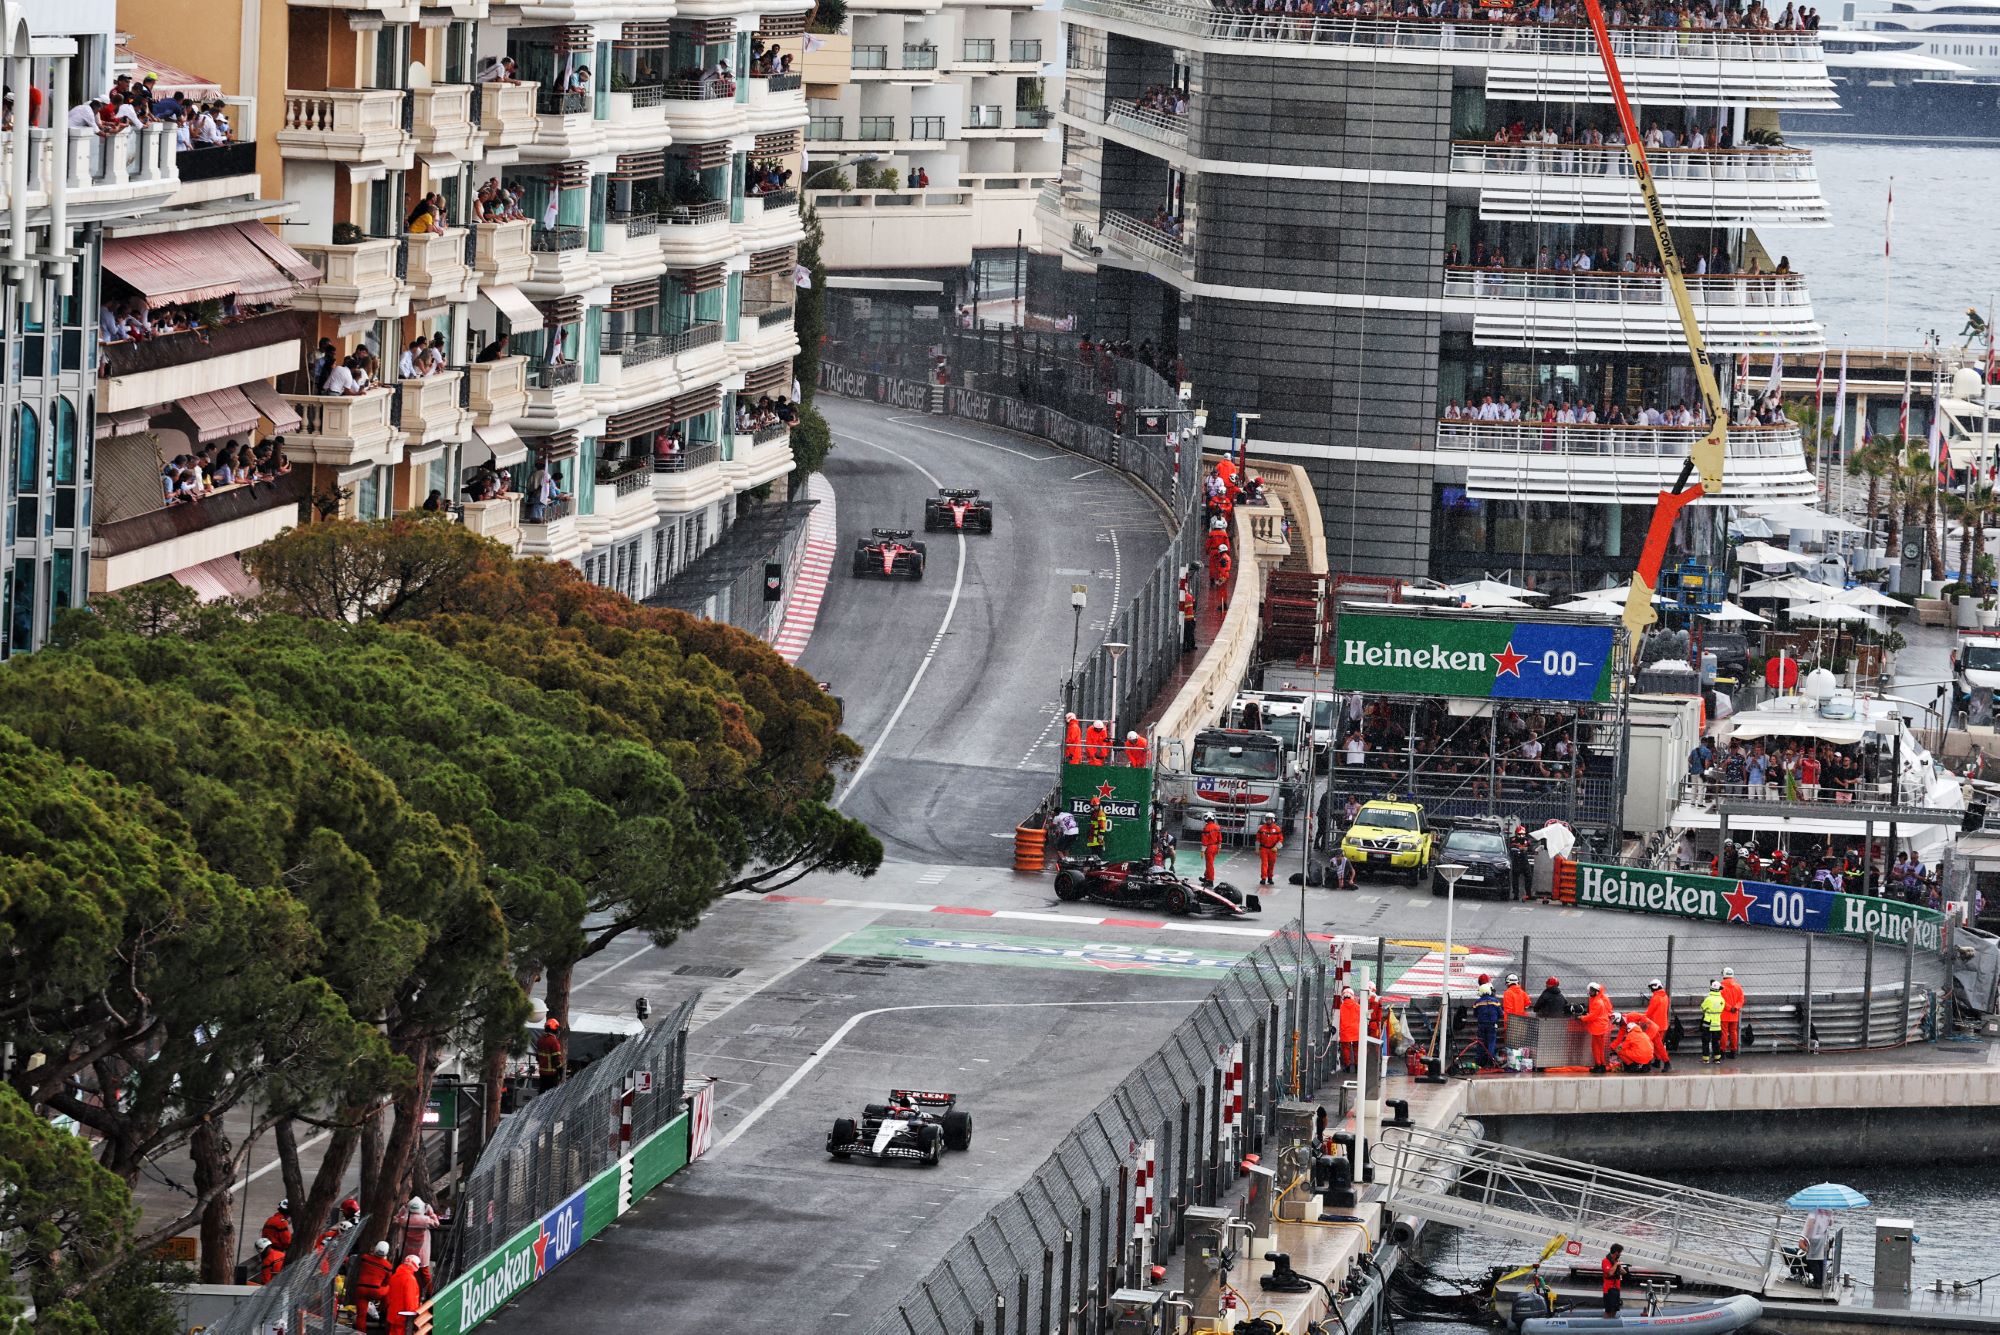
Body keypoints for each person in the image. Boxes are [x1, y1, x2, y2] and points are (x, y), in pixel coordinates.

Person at [352, 1241, 394, 1331]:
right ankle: (383, 1312)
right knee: (389, 1288)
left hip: (361, 1289)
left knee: (361, 1315)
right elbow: (387, 1282)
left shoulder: (365, 1258)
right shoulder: (388, 1266)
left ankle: (361, 1332)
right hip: (376, 1291)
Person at [385, 1253, 424, 1335]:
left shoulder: (395, 1276)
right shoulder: (410, 1279)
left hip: (392, 1314)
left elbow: (388, 1296)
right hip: (403, 1317)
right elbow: (410, 1301)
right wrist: (413, 1316)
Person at [1582, 982, 1614, 1072]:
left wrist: (1583, 1018)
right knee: (1599, 1047)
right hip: (1601, 1025)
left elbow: (1594, 1015)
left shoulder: (1598, 1001)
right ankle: (1601, 1064)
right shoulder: (1598, 999)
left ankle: (1599, 1065)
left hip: (1598, 1026)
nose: (1590, 993)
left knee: (1596, 1047)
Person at [1472, 982, 1504, 1067]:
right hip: (1492, 1025)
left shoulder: (1477, 1002)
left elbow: (1475, 1014)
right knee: (1491, 1043)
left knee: (1481, 1043)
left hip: (1481, 1025)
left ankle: (1480, 1062)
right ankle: (1491, 1062)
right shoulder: (1496, 1001)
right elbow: (1501, 1014)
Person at [1644, 980, 1673, 1071]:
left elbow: (1649, 1012)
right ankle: (1657, 1061)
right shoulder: (1665, 996)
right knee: (1657, 1045)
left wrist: (1642, 1019)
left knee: (1657, 1045)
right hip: (1663, 1024)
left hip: (1655, 1026)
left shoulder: (1656, 997)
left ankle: (1666, 1062)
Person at [534, 1016, 566, 1091]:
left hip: (542, 1073)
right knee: (551, 1097)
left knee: (542, 1094)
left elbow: (538, 1057)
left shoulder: (540, 1040)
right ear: (554, 1029)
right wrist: (561, 1071)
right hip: (551, 1075)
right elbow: (557, 1060)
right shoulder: (554, 1042)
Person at [1719, 967, 1745, 1058]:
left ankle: (1722, 1052)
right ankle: (1733, 1051)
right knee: (1733, 1032)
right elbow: (1741, 1000)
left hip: (1724, 1014)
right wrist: (1735, 1007)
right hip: (1734, 1014)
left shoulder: (1720, 986)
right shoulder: (1738, 986)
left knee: (1724, 1033)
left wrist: (1729, 1008)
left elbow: (1720, 1000)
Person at [1254, 812, 1284, 886]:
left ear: (1273, 820)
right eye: (1267, 819)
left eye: (1270, 819)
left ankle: (1270, 878)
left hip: (1272, 850)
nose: (1268, 821)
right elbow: (1258, 839)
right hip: (1264, 849)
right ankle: (1263, 878)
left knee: (1271, 864)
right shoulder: (1261, 828)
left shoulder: (1277, 829)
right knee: (1264, 864)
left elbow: (1281, 839)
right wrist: (1257, 849)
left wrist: (1276, 847)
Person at [1700, 979, 1726, 1063]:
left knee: (1706, 1042)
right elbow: (1722, 1009)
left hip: (1708, 1023)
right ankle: (1717, 1058)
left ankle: (1706, 1059)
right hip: (1717, 1024)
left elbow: (1702, 1008)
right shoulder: (1722, 1000)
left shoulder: (1708, 999)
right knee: (1716, 1042)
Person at [1507, 824, 1534, 900]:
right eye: (1519, 834)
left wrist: (1525, 848)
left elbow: (1531, 849)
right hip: (1516, 861)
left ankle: (1528, 894)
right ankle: (1516, 894)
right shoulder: (1512, 840)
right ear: (1516, 833)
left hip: (1524, 861)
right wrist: (1516, 848)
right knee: (1515, 878)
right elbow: (1509, 848)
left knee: (1528, 877)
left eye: (1523, 834)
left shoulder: (1526, 840)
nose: (1521, 836)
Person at [1338, 985, 1361, 1071]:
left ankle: (1347, 1066)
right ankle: (1357, 1066)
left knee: (1346, 1049)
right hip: (1356, 1030)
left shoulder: (1341, 1007)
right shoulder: (1357, 1006)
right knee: (1356, 1048)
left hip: (1345, 1030)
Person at [1602, 1244, 1629, 1317]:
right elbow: (1610, 1273)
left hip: (1616, 1288)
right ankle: (1606, 1325)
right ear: (1616, 1253)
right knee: (1608, 1310)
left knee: (1615, 1309)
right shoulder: (1605, 1261)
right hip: (1608, 1289)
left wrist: (1621, 1266)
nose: (1620, 1254)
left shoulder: (1616, 1262)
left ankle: (1612, 1323)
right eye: (1620, 1253)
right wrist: (1616, 1264)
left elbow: (1624, 1272)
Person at [1200, 811, 1223, 884]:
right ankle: (1206, 877)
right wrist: (1219, 847)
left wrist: (1202, 851)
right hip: (1215, 847)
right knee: (1210, 863)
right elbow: (1220, 838)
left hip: (1209, 848)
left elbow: (1204, 841)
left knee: (1209, 864)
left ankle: (1210, 880)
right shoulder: (1217, 827)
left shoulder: (1206, 828)